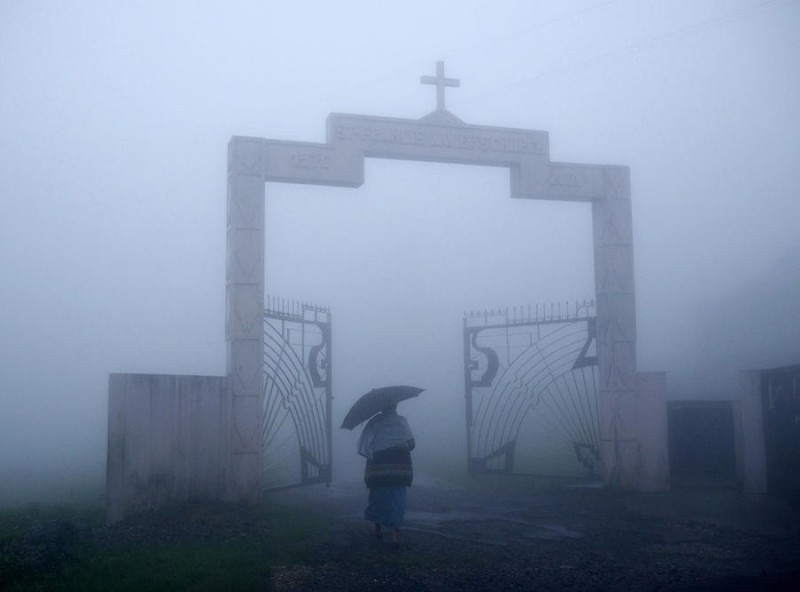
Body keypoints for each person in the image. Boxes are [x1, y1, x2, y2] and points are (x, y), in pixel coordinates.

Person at [357, 404, 415, 549]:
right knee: (397, 500)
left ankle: (377, 530)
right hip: (400, 470)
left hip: (379, 469)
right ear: (395, 406)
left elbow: (366, 442)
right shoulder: (402, 421)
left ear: (382, 408)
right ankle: (395, 537)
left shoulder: (375, 422)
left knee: (377, 497)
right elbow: (412, 444)